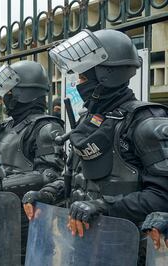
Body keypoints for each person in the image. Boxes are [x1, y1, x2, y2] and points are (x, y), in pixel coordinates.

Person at [23, 29, 168, 263]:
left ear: (106, 74)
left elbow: (162, 195)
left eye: (82, 77)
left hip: (128, 249)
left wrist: (103, 205)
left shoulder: (145, 120)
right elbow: (74, 177)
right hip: (82, 245)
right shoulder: (87, 121)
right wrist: (46, 194)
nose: (79, 83)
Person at [0, 60, 65, 262]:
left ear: (24, 92)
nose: (5, 96)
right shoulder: (9, 126)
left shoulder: (46, 127)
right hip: (3, 214)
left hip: (30, 218)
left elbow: (49, 176)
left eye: (10, 90)